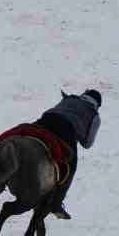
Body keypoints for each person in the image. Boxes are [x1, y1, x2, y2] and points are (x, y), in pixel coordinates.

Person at [34, 88, 101, 220]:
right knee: (71, 167)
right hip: (66, 130)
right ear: (97, 105)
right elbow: (87, 144)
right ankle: (55, 204)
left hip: (45, 119)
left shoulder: (69, 98)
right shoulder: (94, 115)